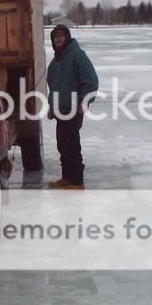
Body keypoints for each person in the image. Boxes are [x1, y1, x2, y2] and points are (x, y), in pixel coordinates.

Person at [47, 24, 99, 190]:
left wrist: (84, 102)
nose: (59, 39)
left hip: (74, 109)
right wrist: (51, 107)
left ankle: (77, 181)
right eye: (56, 37)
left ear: (67, 37)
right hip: (60, 111)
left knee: (72, 145)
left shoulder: (77, 55)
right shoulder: (55, 62)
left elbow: (91, 81)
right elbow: (54, 87)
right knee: (62, 145)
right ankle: (66, 177)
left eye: (61, 36)